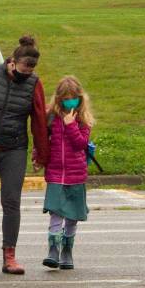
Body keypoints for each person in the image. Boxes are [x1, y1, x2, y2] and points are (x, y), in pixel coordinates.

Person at [0, 35, 50, 275]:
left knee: (12, 201)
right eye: (26, 66)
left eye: (33, 68)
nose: (29, 71)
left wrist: (41, 154)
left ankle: (9, 255)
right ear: (12, 61)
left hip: (15, 148)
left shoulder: (34, 83)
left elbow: (39, 120)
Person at [42, 76, 94, 271]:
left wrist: (71, 124)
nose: (69, 101)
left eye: (73, 98)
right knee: (56, 212)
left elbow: (80, 144)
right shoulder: (51, 117)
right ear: (59, 99)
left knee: (72, 216)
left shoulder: (83, 120)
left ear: (79, 98)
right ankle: (53, 250)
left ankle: (67, 251)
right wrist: (39, 156)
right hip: (55, 173)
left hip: (76, 175)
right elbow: (44, 140)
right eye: (65, 98)